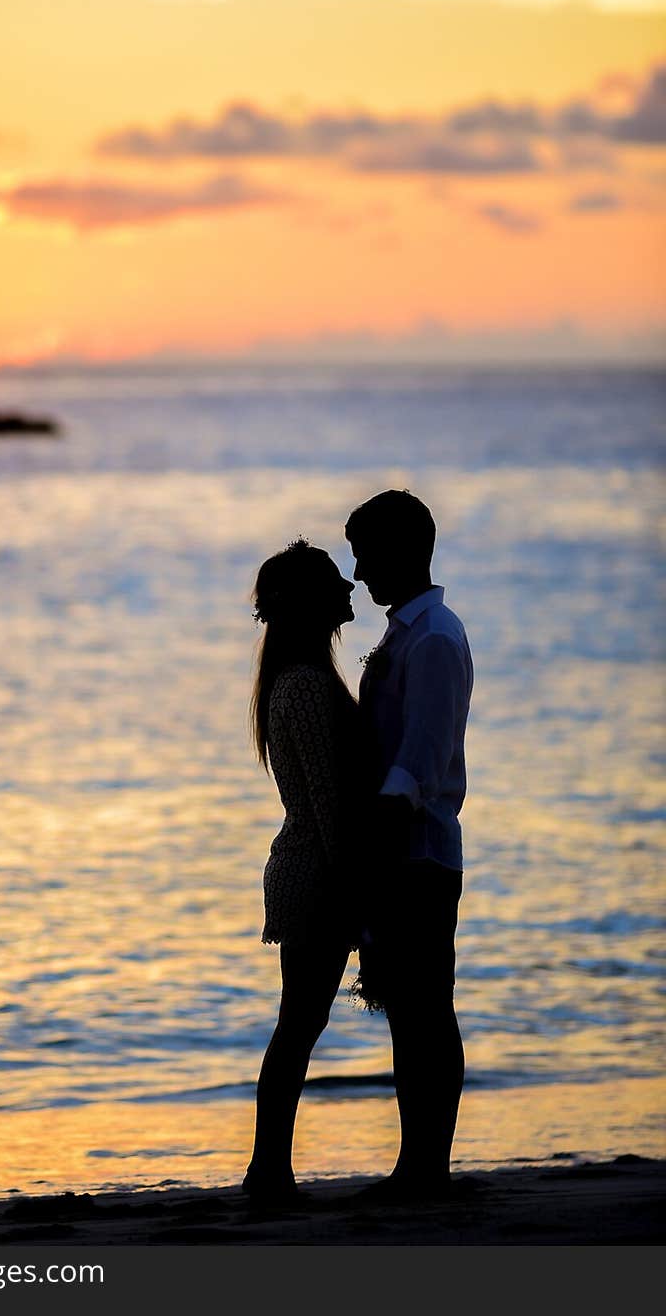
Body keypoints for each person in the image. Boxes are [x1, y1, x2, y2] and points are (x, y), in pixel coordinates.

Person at [345, 489, 473, 1200]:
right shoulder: (409, 632)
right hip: (404, 850)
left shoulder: (432, 639)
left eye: (365, 554)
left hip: (418, 852)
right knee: (409, 1009)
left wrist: (373, 843)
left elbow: (419, 763)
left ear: (399, 551)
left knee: (427, 1008)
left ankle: (429, 1164)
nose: (359, 572)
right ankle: (416, 1160)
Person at [242, 538, 361, 1206]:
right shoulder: (310, 689)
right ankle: (268, 1171)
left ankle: (270, 1169)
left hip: (306, 868)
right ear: (312, 603)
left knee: (299, 1023)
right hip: (315, 874)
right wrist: (360, 892)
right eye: (334, 583)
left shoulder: (296, 680)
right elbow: (329, 805)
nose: (349, 589)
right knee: (298, 1024)